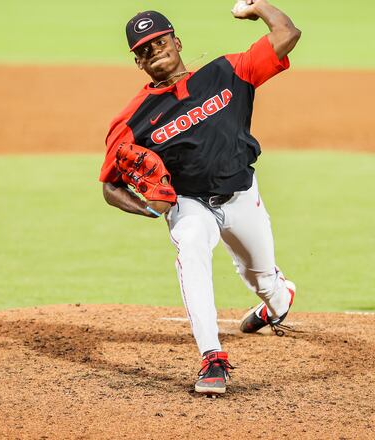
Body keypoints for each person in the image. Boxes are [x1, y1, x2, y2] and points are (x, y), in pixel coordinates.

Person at [99, 0, 301, 395]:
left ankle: (278, 298)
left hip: (241, 196)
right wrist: (148, 210)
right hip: (190, 205)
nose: (153, 50)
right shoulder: (132, 120)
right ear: (137, 63)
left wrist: (258, 7)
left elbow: (287, 35)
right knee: (191, 243)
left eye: (158, 41)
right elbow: (110, 185)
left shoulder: (227, 71)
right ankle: (212, 358)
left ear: (176, 41)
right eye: (142, 49)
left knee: (263, 282)